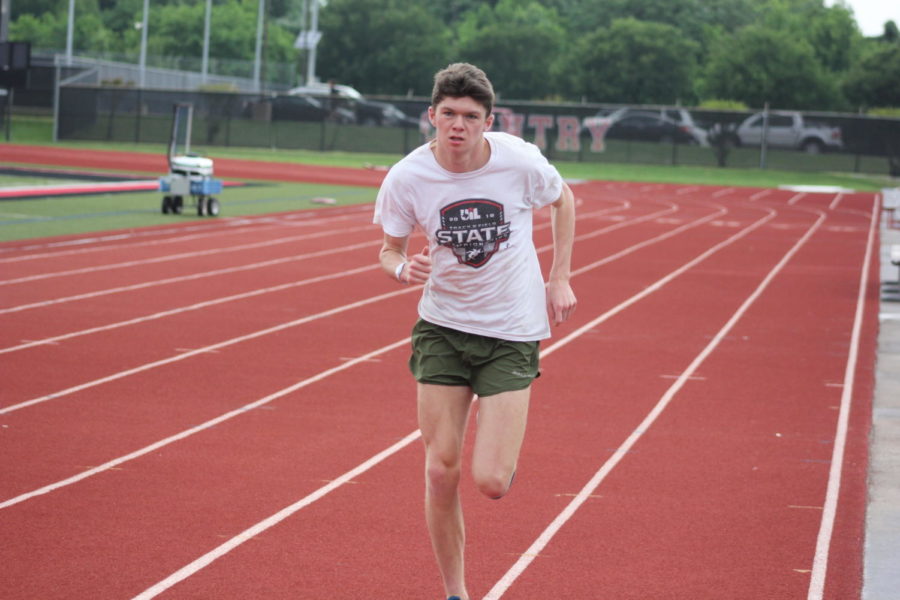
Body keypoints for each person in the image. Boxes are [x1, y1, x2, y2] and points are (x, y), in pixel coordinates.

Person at [373, 62, 576, 600]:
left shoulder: (519, 162)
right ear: (431, 117)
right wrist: (401, 268)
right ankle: (456, 592)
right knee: (441, 470)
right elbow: (390, 247)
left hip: (511, 330)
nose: (457, 125)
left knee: (488, 482)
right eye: (448, 114)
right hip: (442, 327)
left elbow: (564, 200)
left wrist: (559, 277)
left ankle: (501, 451)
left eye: (469, 115)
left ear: (489, 121)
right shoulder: (408, 177)